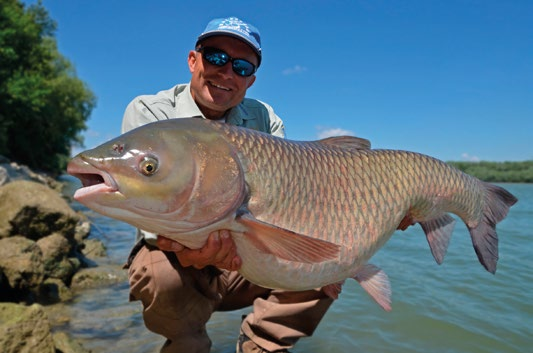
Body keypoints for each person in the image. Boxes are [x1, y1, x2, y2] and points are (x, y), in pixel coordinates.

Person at [122, 17, 336, 353]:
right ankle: (185, 343)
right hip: (176, 257)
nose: (227, 73)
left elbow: (287, 202)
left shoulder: (265, 120)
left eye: (241, 66)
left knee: (328, 263)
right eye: (216, 58)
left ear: (251, 80)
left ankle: (262, 346)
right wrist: (199, 244)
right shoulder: (150, 112)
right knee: (158, 272)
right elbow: (148, 215)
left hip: (245, 253)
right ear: (194, 60)